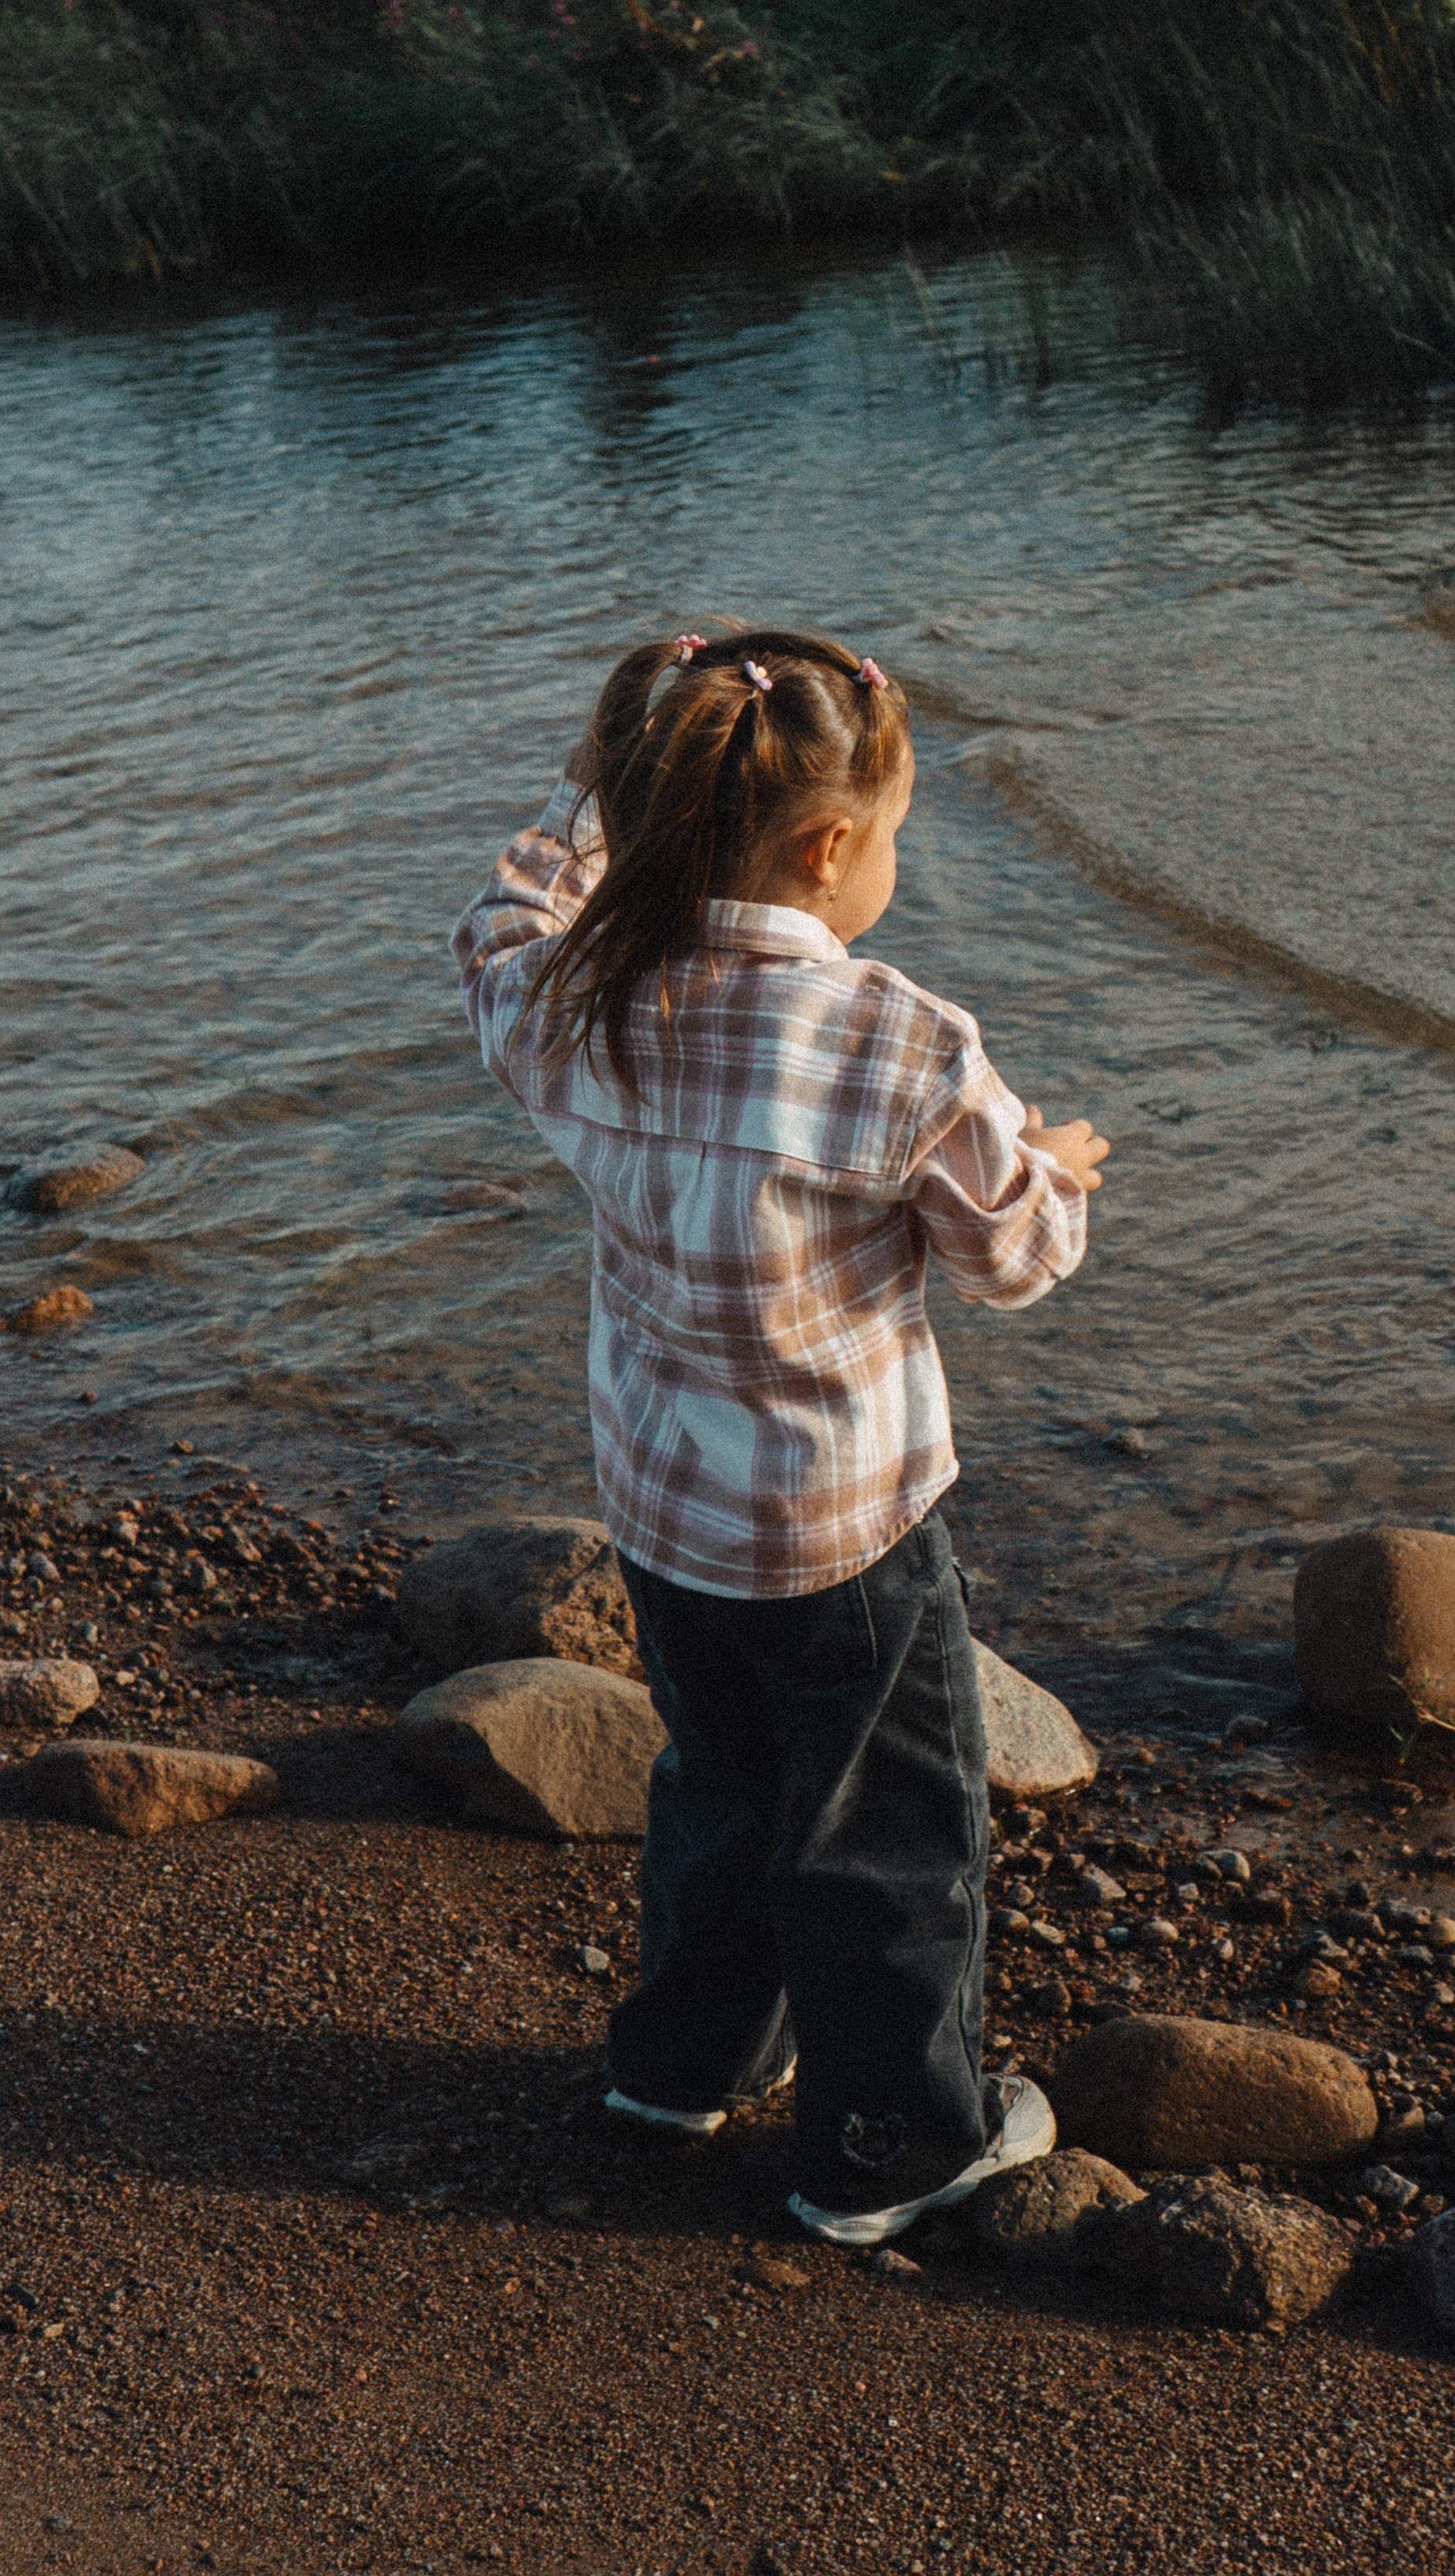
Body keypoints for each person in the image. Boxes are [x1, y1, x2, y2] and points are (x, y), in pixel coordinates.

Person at [452, 627, 1108, 2247]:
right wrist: (1047, 1162)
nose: (891, 865)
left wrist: (596, 784)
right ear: (828, 851)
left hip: (667, 1517)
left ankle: (677, 2073)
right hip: (843, 1533)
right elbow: (1010, 1261)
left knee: (723, 1793)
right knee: (887, 1838)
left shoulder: (574, 998)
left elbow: (499, 922)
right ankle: (884, 2147)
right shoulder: (898, 1040)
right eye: (890, 839)